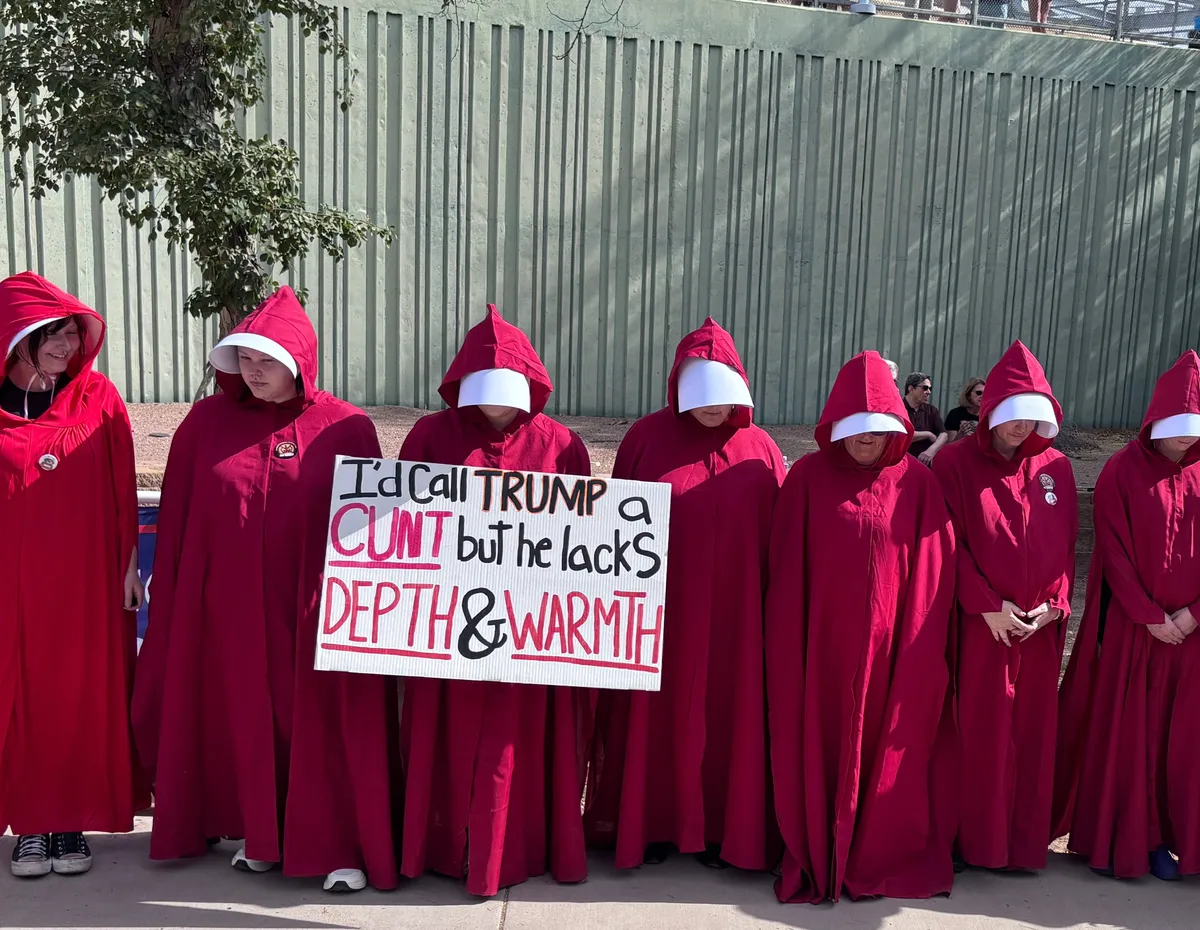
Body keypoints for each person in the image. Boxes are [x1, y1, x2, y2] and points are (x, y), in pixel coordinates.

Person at [132, 287, 397, 893]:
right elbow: (179, 520)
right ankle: (264, 835)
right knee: (245, 716)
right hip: (231, 611)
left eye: (267, 361)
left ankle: (340, 847)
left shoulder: (346, 426)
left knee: (322, 720)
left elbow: (382, 528)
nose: (253, 372)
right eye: (243, 360)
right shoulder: (205, 423)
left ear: (300, 361)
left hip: (317, 610)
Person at [397, 304, 592, 897]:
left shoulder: (561, 445)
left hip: (529, 635)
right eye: (483, 392)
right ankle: (441, 846)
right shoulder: (431, 436)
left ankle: (516, 849)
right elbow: (397, 530)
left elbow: (588, 548)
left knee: (516, 746)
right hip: (447, 627)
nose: (496, 405)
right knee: (447, 741)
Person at [585, 318, 785, 871]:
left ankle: (724, 830)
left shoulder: (761, 448)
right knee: (654, 718)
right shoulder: (645, 440)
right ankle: (648, 824)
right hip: (660, 615)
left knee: (730, 717)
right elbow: (608, 530)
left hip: (738, 618)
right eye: (702, 398)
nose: (713, 410)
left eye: (723, 399)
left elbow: (782, 538)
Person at [766, 350, 957, 904]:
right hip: (822, 651)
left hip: (890, 655)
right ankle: (815, 844)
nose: (866, 440)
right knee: (820, 744)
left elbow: (933, 572)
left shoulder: (916, 485)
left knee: (883, 751)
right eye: (857, 430)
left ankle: (874, 851)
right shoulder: (805, 479)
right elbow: (785, 572)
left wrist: (916, 651)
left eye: (878, 430)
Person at [0, 271, 147, 878]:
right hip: (12, 583)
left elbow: (122, 488)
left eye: (68, 332)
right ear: (16, 340)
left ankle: (69, 825)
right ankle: (30, 825)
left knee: (79, 696)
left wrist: (131, 564)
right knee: (22, 696)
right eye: (49, 334)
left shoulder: (100, 399)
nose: (64, 344)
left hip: (85, 581)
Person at [1053, 350, 1200, 881]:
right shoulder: (1120, 470)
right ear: (1154, 422)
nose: (1186, 438)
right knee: (1133, 737)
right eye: (1177, 427)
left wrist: (1191, 615)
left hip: (1192, 635)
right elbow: (1111, 551)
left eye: (1194, 428)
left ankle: (1190, 836)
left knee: (1186, 741)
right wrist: (1149, 615)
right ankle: (1142, 838)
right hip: (1136, 632)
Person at [931, 342, 1076, 872]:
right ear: (990, 410)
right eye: (1013, 415)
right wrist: (987, 605)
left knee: (1032, 734)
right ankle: (975, 842)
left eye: (1033, 416)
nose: (1021, 427)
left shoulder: (1056, 467)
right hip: (983, 627)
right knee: (980, 730)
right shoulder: (953, 464)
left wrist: (1056, 606)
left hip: (1037, 630)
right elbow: (947, 543)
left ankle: (1021, 842)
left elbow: (1064, 550)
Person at [904, 371, 948, 465]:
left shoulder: (931, 410)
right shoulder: (898, 407)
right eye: (925, 388)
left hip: (926, 465)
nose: (929, 392)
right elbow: (903, 435)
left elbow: (943, 435)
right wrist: (928, 434)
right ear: (911, 388)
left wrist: (931, 451)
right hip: (903, 463)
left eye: (930, 388)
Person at [944, 377, 985, 442]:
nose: (982, 396)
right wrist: (961, 434)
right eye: (978, 393)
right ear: (968, 395)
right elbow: (950, 446)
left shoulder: (988, 416)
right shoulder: (955, 414)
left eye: (985, 393)